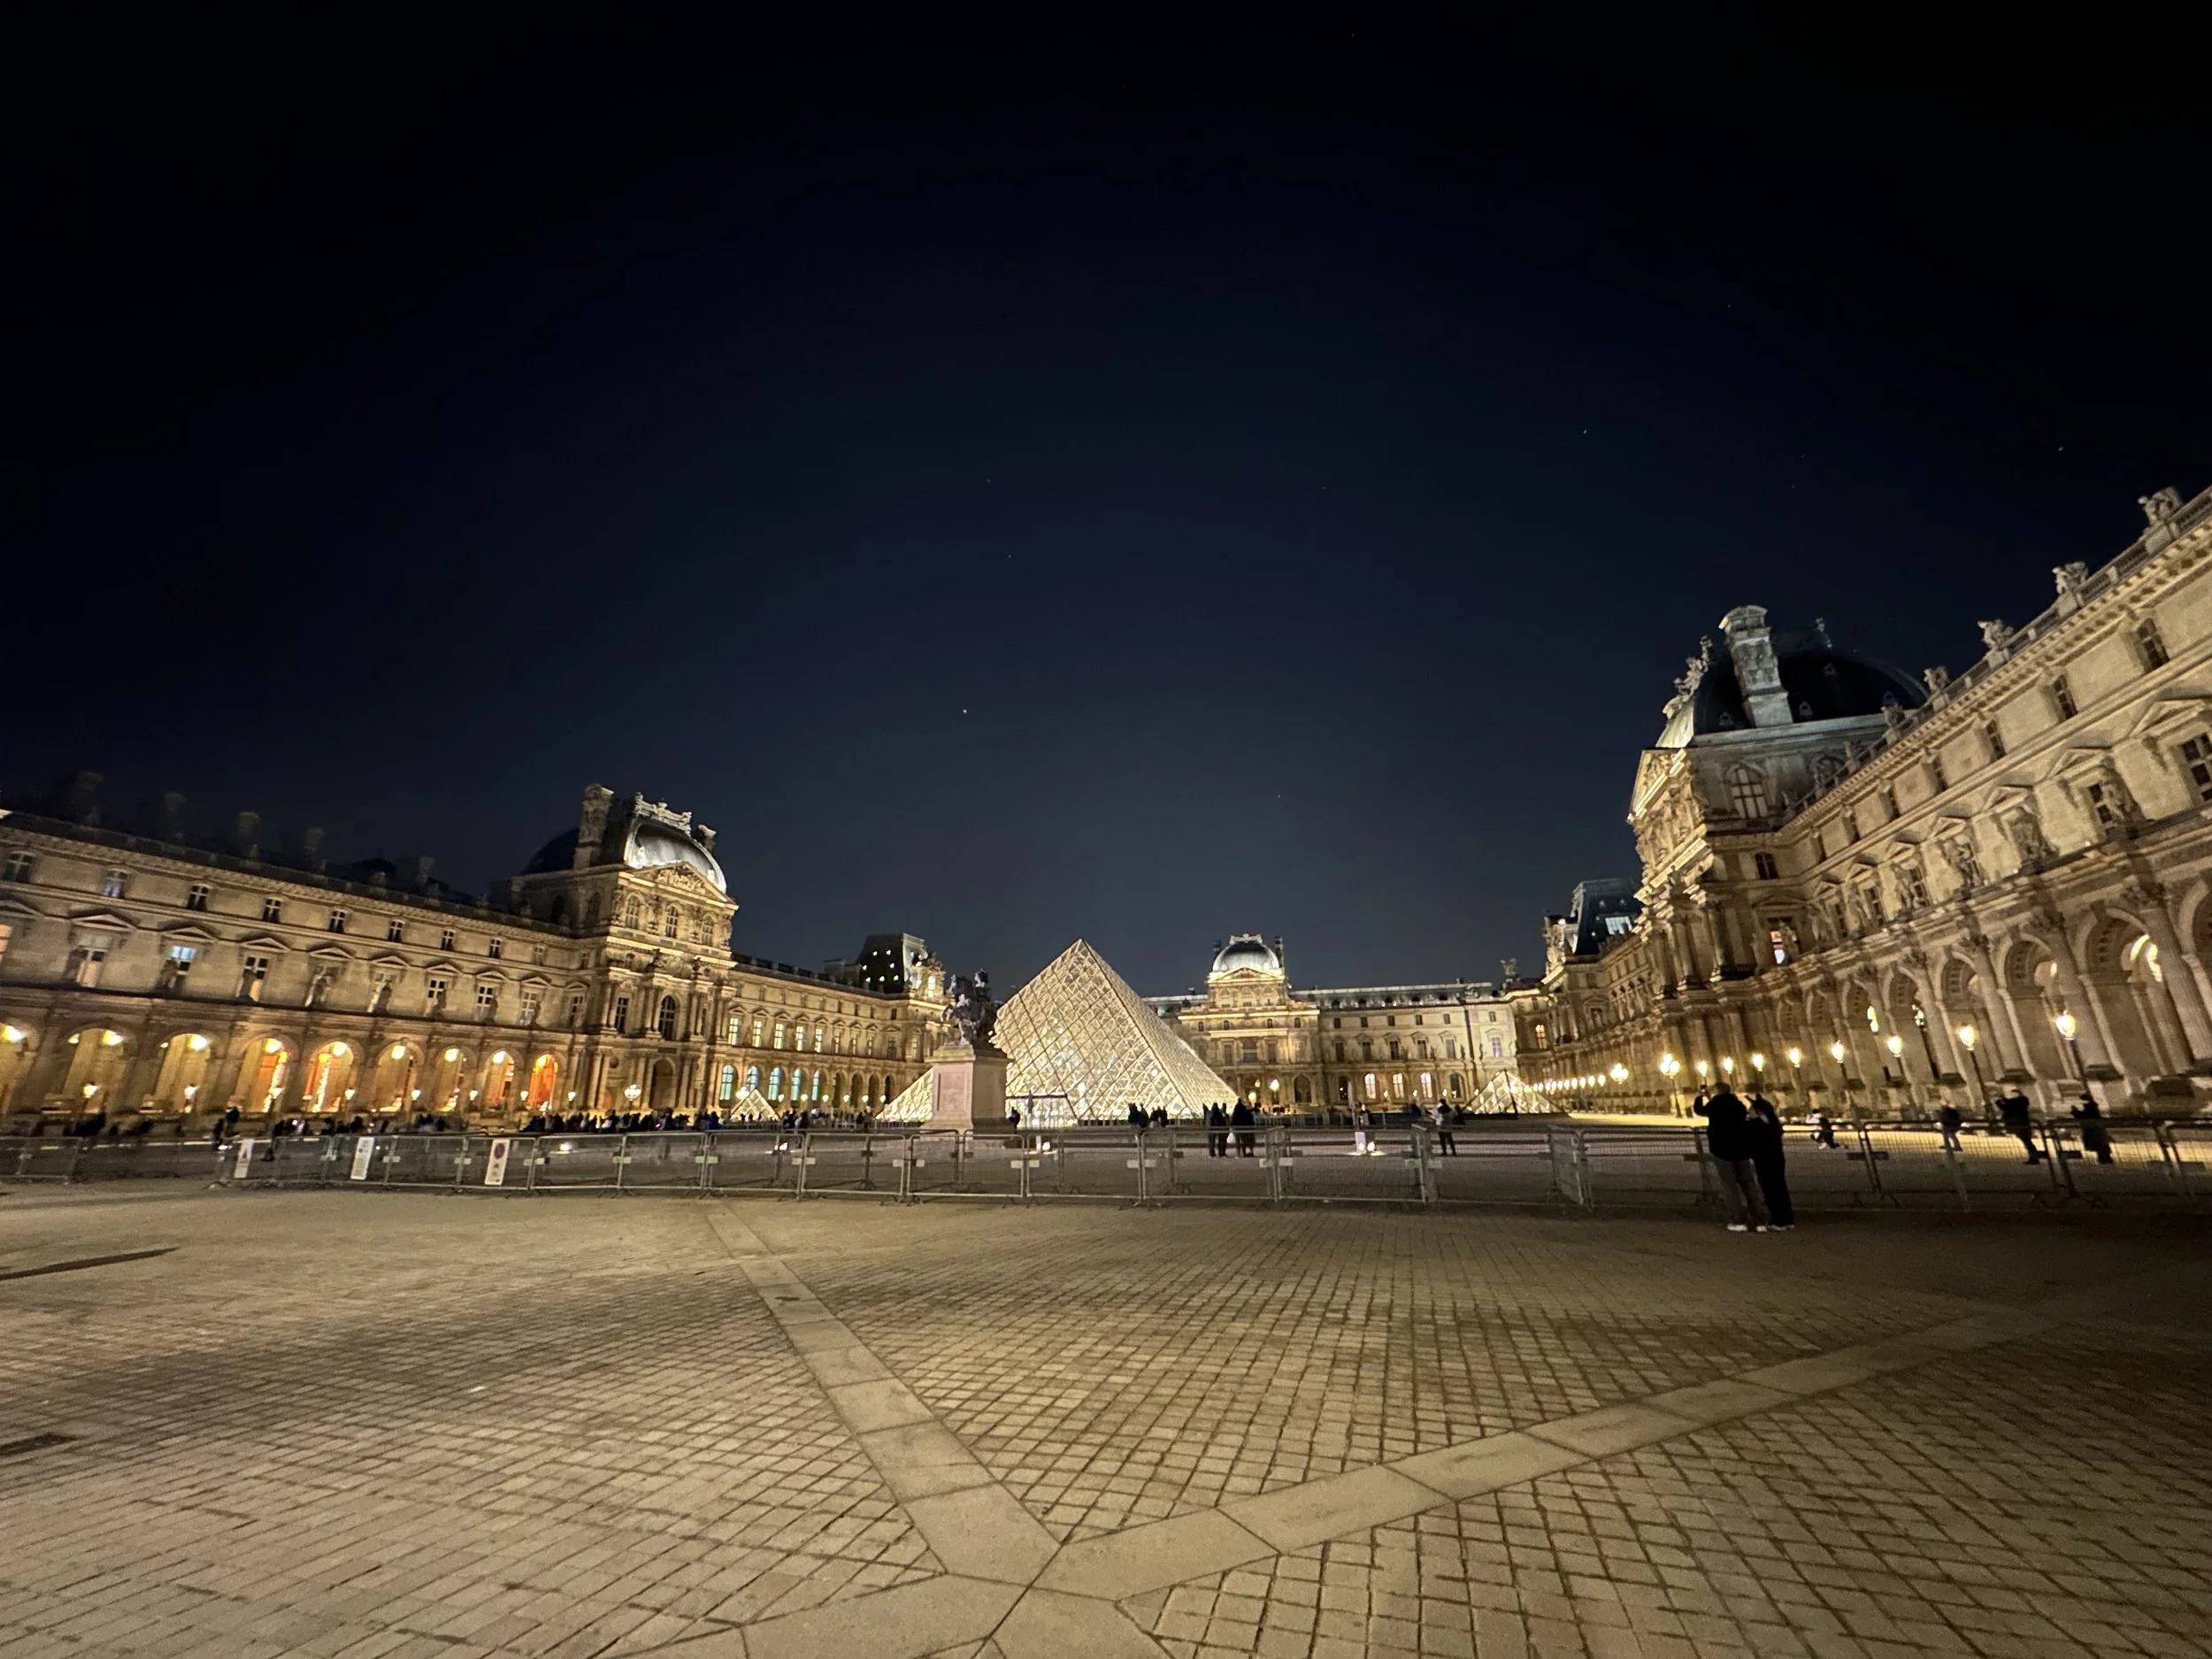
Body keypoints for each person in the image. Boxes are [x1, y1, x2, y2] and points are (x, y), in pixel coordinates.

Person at [1694, 1084, 1767, 1231]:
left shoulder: (1715, 1105)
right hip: (1741, 1149)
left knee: (1730, 1186)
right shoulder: (1738, 1105)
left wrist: (1700, 1096)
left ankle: (1739, 1220)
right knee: (1749, 1184)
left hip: (1722, 1150)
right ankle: (1760, 1221)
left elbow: (1699, 1110)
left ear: (1716, 1092)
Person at [1745, 1092, 1794, 1230]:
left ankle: (1778, 1221)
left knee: (1770, 1190)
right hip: (1777, 1159)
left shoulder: (1755, 1124)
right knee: (1781, 1188)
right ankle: (1788, 1219)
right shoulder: (1773, 1122)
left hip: (1763, 1160)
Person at [1997, 1090, 2045, 1162]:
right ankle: (2034, 1157)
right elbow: (2008, 1105)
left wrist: (2000, 1100)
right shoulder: (2020, 1102)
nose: (2011, 1096)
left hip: (2019, 1124)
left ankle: (2035, 1156)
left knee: (2027, 1141)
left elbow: (2007, 1107)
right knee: (2027, 1141)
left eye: (2013, 1094)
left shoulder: (2017, 1102)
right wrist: (2002, 1099)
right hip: (2021, 1124)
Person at [2071, 1094, 2114, 1164]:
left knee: (2099, 1144)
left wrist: (2075, 1112)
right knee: (2101, 1144)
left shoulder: (2089, 1107)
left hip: (2093, 1129)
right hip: (2096, 1128)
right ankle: (2104, 1158)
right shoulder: (2093, 1106)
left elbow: (2084, 1116)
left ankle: (2104, 1159)